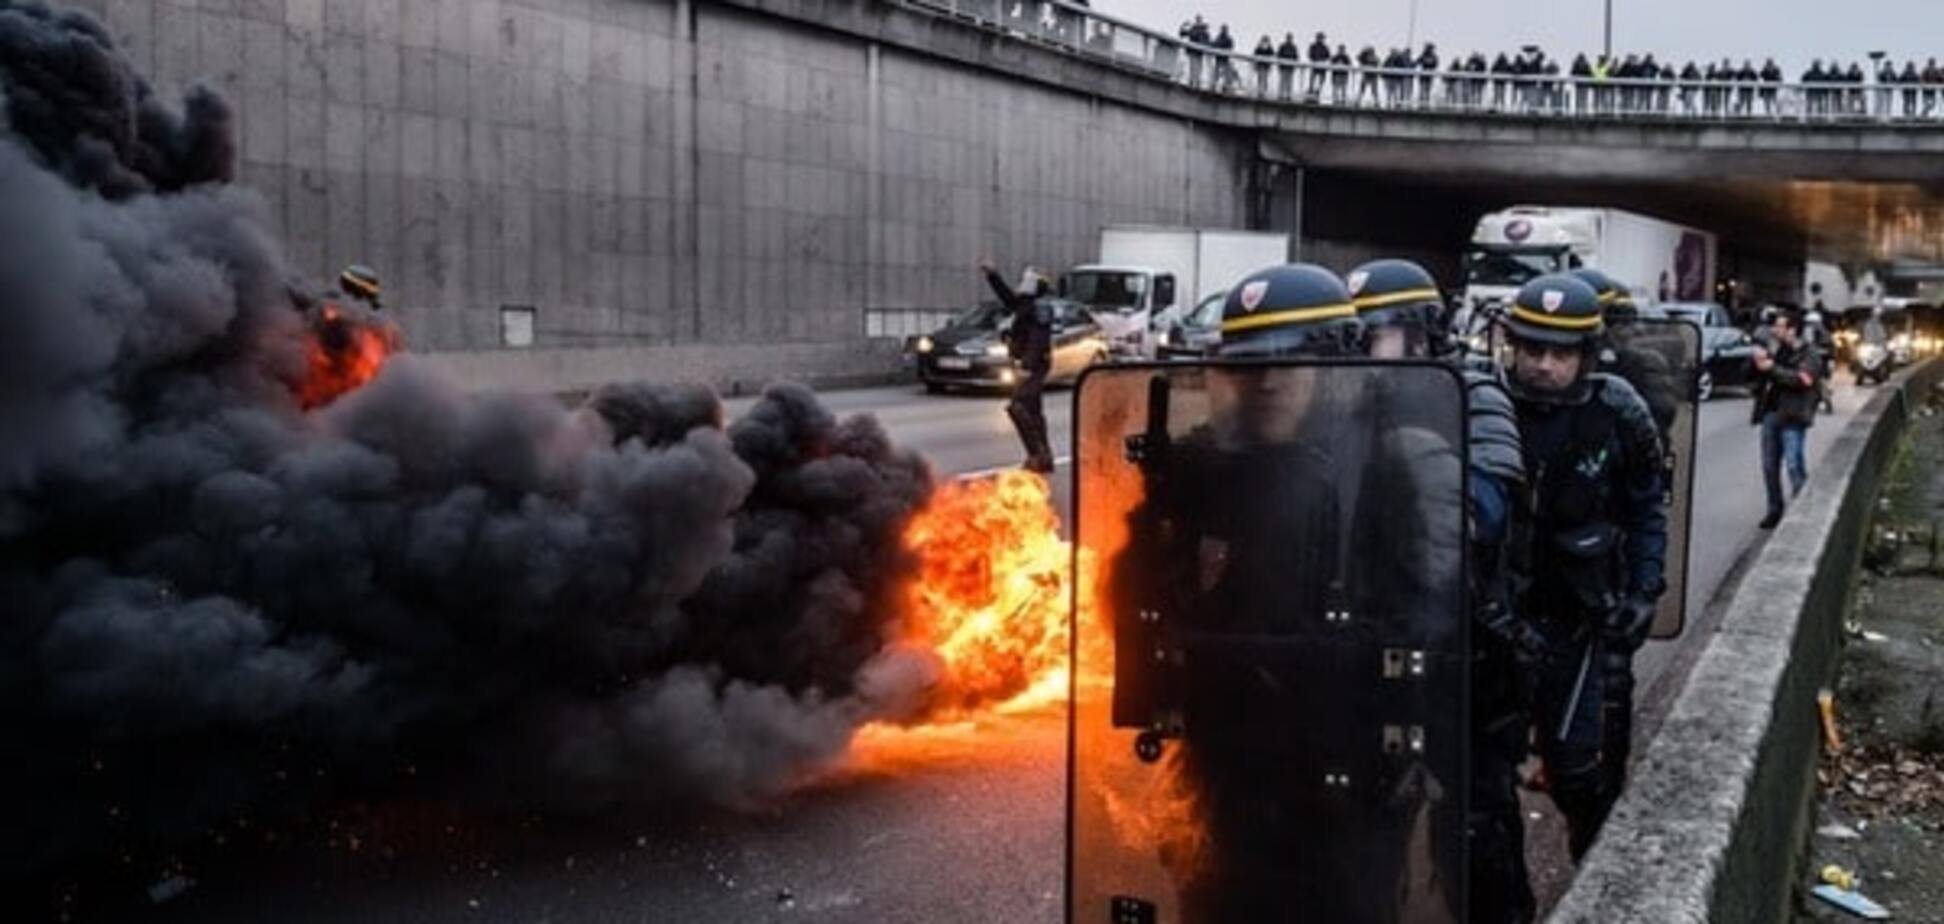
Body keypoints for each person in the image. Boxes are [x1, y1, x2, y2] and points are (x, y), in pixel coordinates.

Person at [1351, 259, 1534, 922]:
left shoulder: (1475, 394)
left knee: (1477, 835)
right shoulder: (1348, 399)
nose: (1362, 350)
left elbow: (1479, 515)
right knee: (1365, 840)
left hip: (1465, 652)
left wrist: (1411, 455)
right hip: (1377, 649)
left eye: (1374, 334)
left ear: (1420, 332)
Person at [1500, 274, 1668, 861]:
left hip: (1585, 629)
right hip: (1499, 627)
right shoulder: (1480, 404)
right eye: (1532, 349)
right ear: (1511, 346)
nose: (1544, 365)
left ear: (1586, 355)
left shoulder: (1618, 412)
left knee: (1586, 782)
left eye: (1561, 353)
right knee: (1483, 791)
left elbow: (1650, 504)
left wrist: (1646, 591)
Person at [979, 259, 1055, 473]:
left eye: (1025, 280)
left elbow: (1038, 339)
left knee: (1018, 406)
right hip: (1027, 364)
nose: (1021, 283)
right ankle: (1044, 457)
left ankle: (1037, 455)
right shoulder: (1026, 304)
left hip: (1034, 365)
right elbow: (1008, 298)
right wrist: (993, 275)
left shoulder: (1039, 307)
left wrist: (1027, 366)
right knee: (1033, 410)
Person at [1751, 309, 1822, 528]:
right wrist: (1757, 364)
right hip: (1771, 412)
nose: (1775, 330)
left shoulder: (1809, 354)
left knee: (1794, 464)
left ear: (1792, 330)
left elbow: (1803, 380)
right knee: (1769, 466)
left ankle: (1803, 513)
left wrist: (1773, 368)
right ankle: (1774, 509)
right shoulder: (1774, 349)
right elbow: (1755, 377)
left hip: (1793, 415)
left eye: (1780, 326)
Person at [1275, 31, 1300, 100]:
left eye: (1290, 38)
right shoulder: (1282, 46)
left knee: (1289, 82)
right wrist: (1279, 65)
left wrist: (1294, 66)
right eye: (1288, 38)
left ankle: (1288, 95)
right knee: (1282, 81)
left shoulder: (1294, 47)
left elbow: (1296, 57)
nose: (1289, 39)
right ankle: (1281, 95)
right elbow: (1278, 56)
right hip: (1283, 67)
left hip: (1290, 68)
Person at [1307, 31, 1331, 97]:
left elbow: (1328, 56)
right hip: (1315, 66)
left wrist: (1322, 60)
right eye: (1319, 38)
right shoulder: (1313, 46)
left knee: (1321, 80)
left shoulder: (1325, 47)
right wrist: (1315, 59)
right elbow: (1310, 55)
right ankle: (1311, 89)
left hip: (1322, 67)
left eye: (1321, 38)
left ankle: (1318, 91)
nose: (1320, 39)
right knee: (1312, 79)